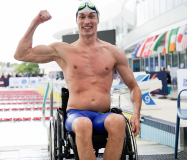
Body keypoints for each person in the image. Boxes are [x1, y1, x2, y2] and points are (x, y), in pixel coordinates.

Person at [14, 2, 142, 159]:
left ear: (97, 20)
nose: (87, 21)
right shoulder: (63, 51)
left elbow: (133, 86)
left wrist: (136, 114)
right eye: (82, 17)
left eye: (91, 16)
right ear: (77, 21)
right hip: (76, 115)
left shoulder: (113, 52)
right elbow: (21, 54)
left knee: (119, 121)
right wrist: (35, 22)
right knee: (83, 124)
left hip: (103, 115)